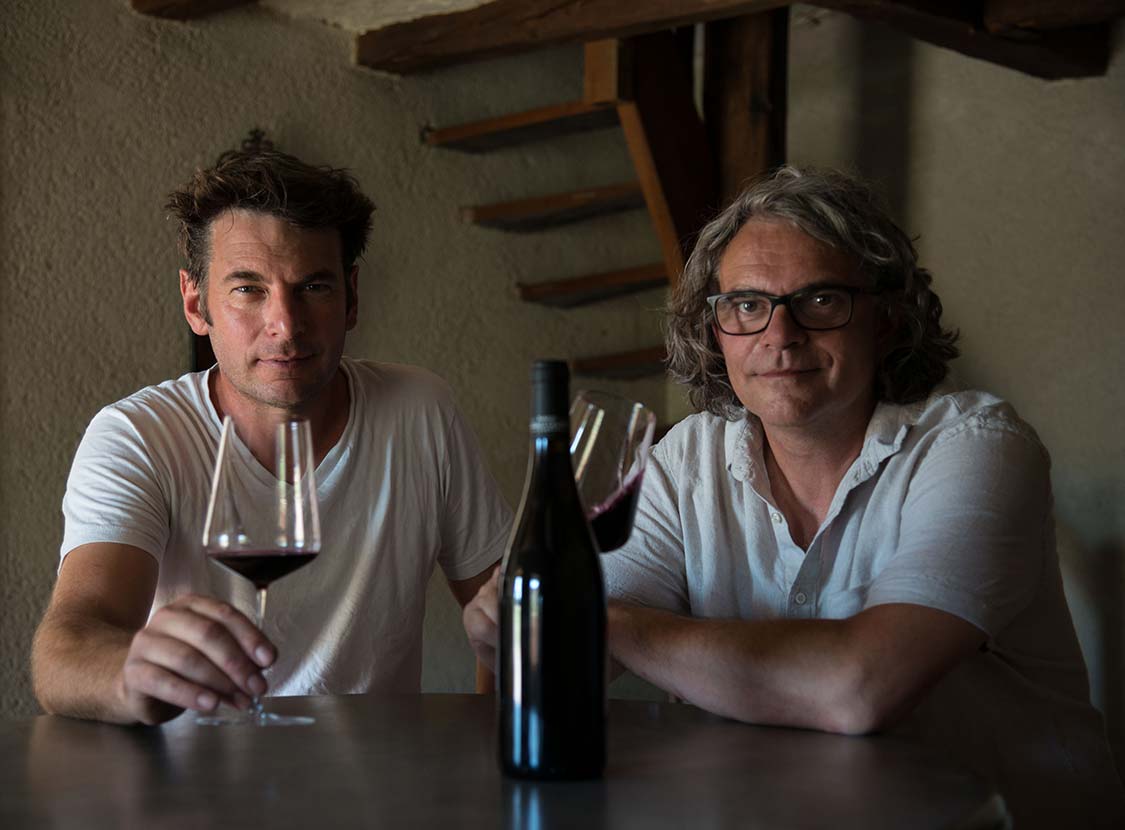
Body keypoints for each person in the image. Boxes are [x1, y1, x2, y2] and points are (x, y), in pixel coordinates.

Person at [464, 166, 1123, 825]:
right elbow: (568, 659)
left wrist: (591, 618)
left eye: (820, 300)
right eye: (747, 306)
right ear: (715, 330)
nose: (779, 336)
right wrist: (519, 634)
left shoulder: (977, 447)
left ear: (887, 319)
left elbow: (859, 688)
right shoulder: (685, 458)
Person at [31, 148, 511, 726]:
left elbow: (512, 617)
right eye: (248, 289)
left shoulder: (421, 410)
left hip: (380, 776)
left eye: (313, 287)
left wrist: (499, 738)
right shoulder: (138, 436)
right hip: (196, 775)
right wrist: (126, 674)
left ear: (352, 298)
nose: (285, 324)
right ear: (196, 304)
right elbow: (68, 648)